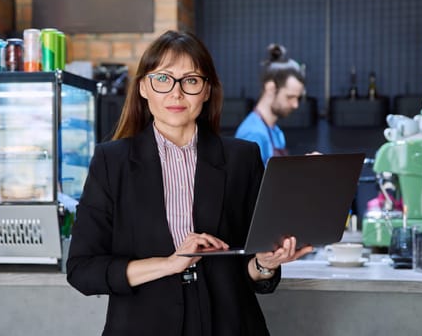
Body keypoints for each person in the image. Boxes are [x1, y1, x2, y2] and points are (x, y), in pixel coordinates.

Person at [66, 30, 313, 336]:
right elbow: (82, 270)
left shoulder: (241, 158)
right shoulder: (111, 162)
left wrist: (265, 263)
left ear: (207, 91)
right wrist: (169, 264)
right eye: (163, 78)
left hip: (230, 324)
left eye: (191, 80)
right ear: (144, 87)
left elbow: (247, 270)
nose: (176, 93)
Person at [235, 44, 305, 165]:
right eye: (290, 97)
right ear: (271, 87)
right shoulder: (253, 135)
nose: (295, 105)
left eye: (298, 98)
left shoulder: (275, 130)